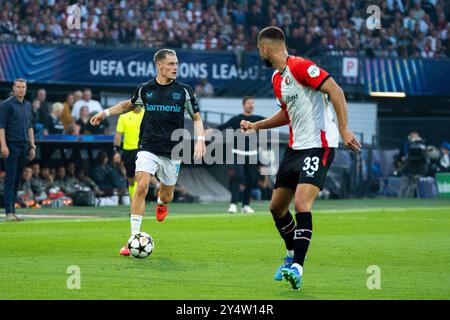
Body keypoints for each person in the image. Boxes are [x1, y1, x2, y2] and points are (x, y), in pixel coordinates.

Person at [240, 27, 361, 290]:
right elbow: (287, 114)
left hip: (319, 145)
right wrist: (256, 125)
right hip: (295, 149)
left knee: (301, 203)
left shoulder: (301, 66)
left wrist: (343, 128)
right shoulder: (276, 78)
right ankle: (291, 255)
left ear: (265, 49)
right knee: (276, 208)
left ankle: (298, 268)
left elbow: (336, 91)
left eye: (259, 49)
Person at [90, 48, 206, 256]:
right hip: (148, 147)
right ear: (159, 65)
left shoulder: (184, 91)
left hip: (172, 151)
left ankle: (162, 203)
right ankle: (133, 238)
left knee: (167, 194)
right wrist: (104, 113)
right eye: (171, 64)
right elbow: (128, 105)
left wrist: (200, 141)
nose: (175, 68)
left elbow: (196, 118)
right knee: (141, 184)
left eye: (176, 64)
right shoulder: (146, 89)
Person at [210, 96, 265, 214]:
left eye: (252, 103)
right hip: (238, 153)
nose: (251, 105)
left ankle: (246, 205)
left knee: (251, 180)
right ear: (244, 104)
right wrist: (211, 131)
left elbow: (270, 122)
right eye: (249, 103)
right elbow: (223, 127)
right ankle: (233, 204)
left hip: (252, 154)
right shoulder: (237, 119)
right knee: (237, 177)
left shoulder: (257, 119)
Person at [0, 78, 36, 221]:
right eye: (18, 87)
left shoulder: (27, 106)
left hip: (24, 145)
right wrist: (3, 145)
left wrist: (32, 145)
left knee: (17, 180)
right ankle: (8, 212)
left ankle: (13, 211)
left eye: (23, 87)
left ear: (26, 89)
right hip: (11, 145)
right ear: (14, 89)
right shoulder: (6, 105)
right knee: (10, 178)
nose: (21, 89)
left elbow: (30, 127)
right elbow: (1, 127)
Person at [113, 105, 144, 200]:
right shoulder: (124, 116)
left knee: (139, 175)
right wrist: (117, 151)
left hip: (142, 149)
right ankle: (132, 198)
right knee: (130, 178)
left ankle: (136, 200)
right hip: (128, 150)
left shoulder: (146, 114)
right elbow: (118, 135)